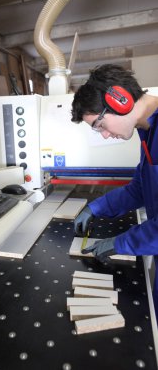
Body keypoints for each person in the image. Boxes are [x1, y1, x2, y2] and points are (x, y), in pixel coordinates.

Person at [71, 63, 158, 322]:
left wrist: (122, 243)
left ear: (119, 101)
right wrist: (96, 207)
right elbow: (140, 189)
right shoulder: (147, 132)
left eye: (99, 125)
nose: (105, 135)